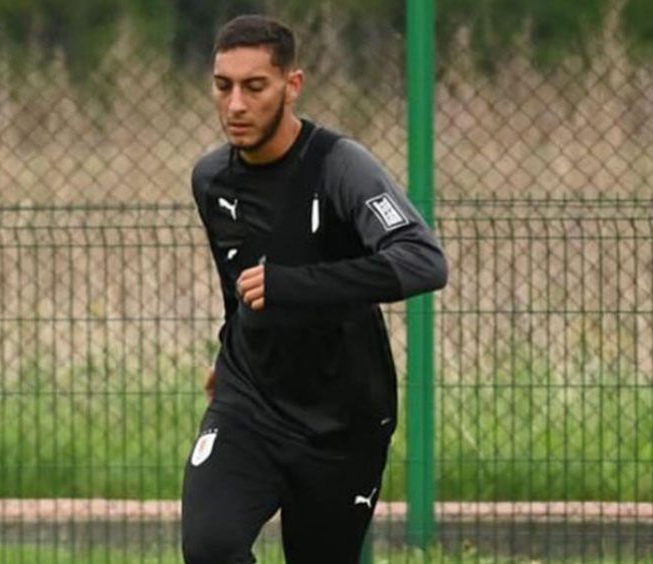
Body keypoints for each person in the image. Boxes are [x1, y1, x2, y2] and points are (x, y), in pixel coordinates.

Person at [182, 14, 448, 564]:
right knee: (211, 549)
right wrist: (230, 344)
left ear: (291, 85)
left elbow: (423, 262)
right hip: (248, 403)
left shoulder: (341, 167)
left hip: (342, 417)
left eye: (255, 87)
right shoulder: (211, 180)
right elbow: (238, 287)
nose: (235, 105)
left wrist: (293, 286)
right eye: (223, 85)